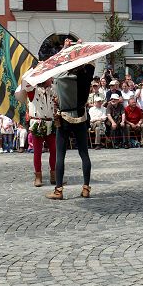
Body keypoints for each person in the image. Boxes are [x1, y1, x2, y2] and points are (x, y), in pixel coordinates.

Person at [47, 58, 95, 200]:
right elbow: (91, 63)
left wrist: (66, 50)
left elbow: (58, 64)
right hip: (81, 116)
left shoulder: (61, 77)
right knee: (84, 154)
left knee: (60, 155)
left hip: (64, 118)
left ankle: (59, 190)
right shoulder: (86, 76)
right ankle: (86, 188)